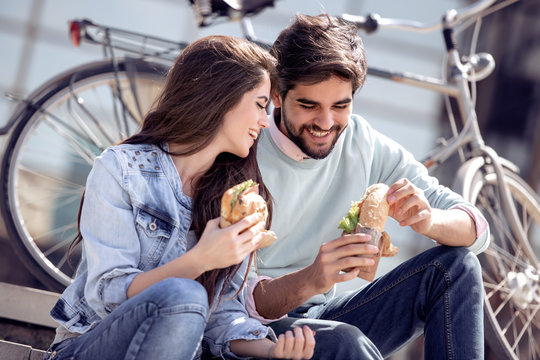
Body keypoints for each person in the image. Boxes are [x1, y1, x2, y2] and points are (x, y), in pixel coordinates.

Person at [44, 35, 315, 360]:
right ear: (221, 96)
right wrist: (201, 259)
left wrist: (274, 351)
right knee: (183, 293)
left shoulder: (235, 199)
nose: (264, 122)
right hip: (88, 346)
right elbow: (108, 294)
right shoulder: (122, 169)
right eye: (259, 105)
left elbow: (222, 320)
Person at [244, 14, 490, 359]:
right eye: (308, 105)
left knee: (456, 267)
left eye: (340, 106)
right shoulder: (244, 147)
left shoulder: (364, 143)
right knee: (347, 342)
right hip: (253, 332)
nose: (326, 123)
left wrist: (428, 220)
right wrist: (313, 278)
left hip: (321, 317)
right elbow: (228, 302)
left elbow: (477, 229)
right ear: (276, 96)